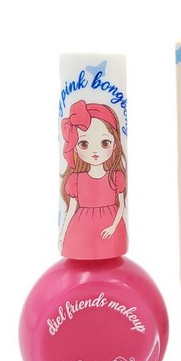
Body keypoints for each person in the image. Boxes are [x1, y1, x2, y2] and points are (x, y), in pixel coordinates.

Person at [59, 100, 127, 259]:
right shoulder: (76, 179)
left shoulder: (116, 176)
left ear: (115, 145)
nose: (95, 151)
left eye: (104, 143)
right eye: (84, 144)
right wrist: (62, 233)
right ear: (75, 148)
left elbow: (121, 206)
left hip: (110, 228)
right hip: (82, 227)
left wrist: (113, 227)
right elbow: (71, 209)